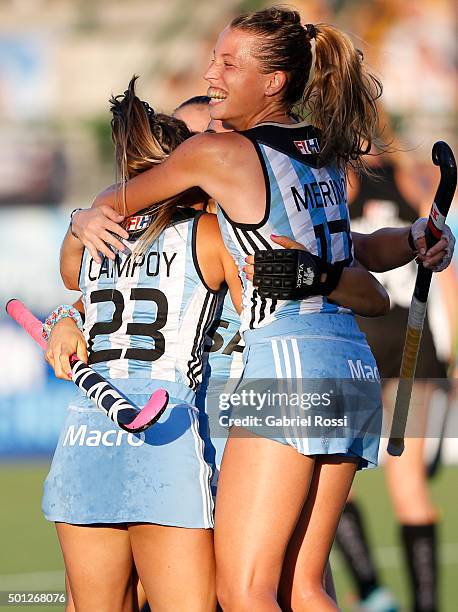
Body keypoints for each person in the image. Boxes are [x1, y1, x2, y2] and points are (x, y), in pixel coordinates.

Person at [62, 7, 430, 609]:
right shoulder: (323, 150)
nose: (211, 74)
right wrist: (413, 240)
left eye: (228, 63)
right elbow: (353, 253)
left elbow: (121, 198)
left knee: (245, 590)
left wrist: (84, 216)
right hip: (349, 365)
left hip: (285, 362)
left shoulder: (221, 153)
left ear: (274, 81)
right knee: (302, 586)